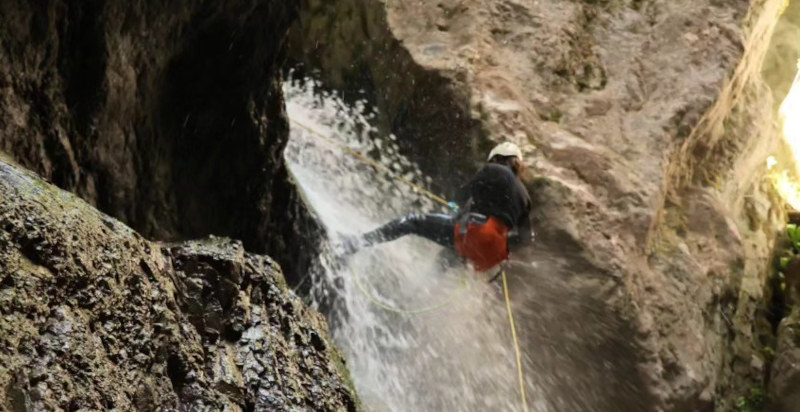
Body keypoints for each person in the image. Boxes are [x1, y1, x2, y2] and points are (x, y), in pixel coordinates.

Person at [340, 142, 533, 272]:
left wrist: (456, 210)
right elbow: (526, 239)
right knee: (445, 259)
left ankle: (355, 244)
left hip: (476, 234)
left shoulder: (494, 170)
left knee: (413, 222)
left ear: (497, 158)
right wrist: (497, 246)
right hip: (489, 256)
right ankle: (416, 296)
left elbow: (462, 197)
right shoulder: (525, 196)